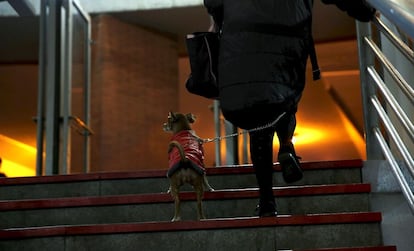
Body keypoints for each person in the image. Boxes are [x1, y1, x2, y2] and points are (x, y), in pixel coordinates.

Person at [203, 0, 375, 217]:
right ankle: (286, 145)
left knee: (259, 123)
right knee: (284, 100)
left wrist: (218, 19)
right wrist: (365, 10)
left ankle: (267, 201)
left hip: (242, 43)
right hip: (287, 40)